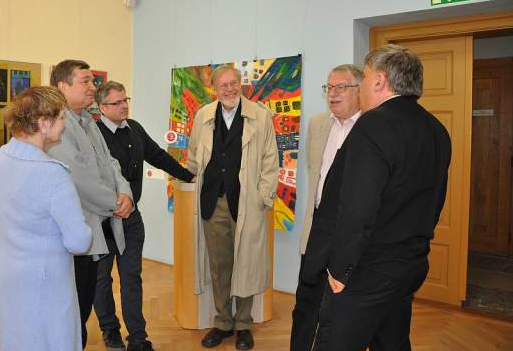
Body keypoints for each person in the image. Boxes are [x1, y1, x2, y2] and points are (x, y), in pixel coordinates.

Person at [303, 44, 451, 350]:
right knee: (392, 341)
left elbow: (358, 207)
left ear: (380, 81)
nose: (361, 87)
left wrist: (340, 269)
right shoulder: (437, 129)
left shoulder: (372, 124)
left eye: (366, 77)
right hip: (410, 264)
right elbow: (435, 201)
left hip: (366, 270)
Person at [0, 86, 92, 351]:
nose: (64, 125)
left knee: (8, 338)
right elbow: (78, 242)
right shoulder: (53, 174)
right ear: (43, 123)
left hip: (2, 272)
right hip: (43, 282)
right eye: (61, 118)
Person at [93, 81, 196, 351]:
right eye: (116, 102)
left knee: (132, 277)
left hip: (131, 220)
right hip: (102, 222)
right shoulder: (93, 134)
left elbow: (157, 156)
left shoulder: (134, 129)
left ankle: (138, 338)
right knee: (101, 279)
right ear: (102, 107)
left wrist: (189, 176)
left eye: (125, 100)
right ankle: (110, 329)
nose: (124, 106)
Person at [186, 66, 279, 350]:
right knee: (220, 266)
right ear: (214, 89)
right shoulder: (203, 115)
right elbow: (194, 154)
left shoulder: (260, 115)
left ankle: (244, 324)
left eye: (234, 83)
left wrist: (263, 197)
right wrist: (189, 175)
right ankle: (223, 322)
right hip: (213, 202)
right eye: (223, 85)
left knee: (246, 264)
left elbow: (270, 160)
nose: (229, 89)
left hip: (247, 202)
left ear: (241, 84)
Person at [47, 60, 134, 349]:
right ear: (62, 86)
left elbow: (110, 163)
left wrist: (125, 193)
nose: (92, 87)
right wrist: (115, 203)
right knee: (74, 311)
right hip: (77, 234)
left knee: (82, 306)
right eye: (85, 81)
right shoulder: (58, 125)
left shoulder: (87, 120)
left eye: (92, 81)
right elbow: (79, 178)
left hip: (98, 224)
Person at [290, 64, 363, 350]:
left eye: (341, 87)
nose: (333, 93)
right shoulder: (318, 124)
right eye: (329, 87)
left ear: (359, 90)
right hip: (317, 226)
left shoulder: (369, 127)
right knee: (305, 301)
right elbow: (315, 171)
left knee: (338, 307)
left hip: (349, 231)